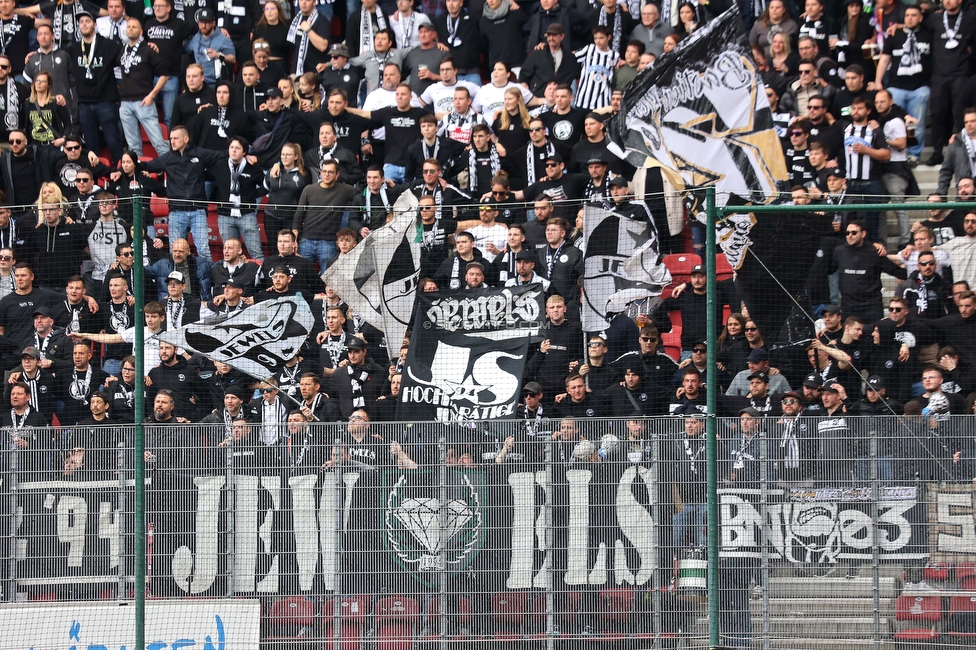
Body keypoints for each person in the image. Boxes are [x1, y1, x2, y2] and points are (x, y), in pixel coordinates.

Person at [140, 126, 223, 262]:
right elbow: (143, 166)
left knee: (203, 250)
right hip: (177, 211)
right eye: (171, 138)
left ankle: (209, 283)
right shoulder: (167, 158)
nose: (172, 141)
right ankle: (177, 281)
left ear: (186, 139)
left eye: (175, 138)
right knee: (176, 252)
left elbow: (222, 155)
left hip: (198, 211)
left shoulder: (198, 153)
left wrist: (247, 154)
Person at [185, 8, 235, 85]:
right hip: (198, 82)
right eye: (201, 22)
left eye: (207, 22)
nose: (203, 25)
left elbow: (232, 59)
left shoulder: (223, 39)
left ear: (213, 23)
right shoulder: (195, 38)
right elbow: (184, 50)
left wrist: (218, 55)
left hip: (215, 83)